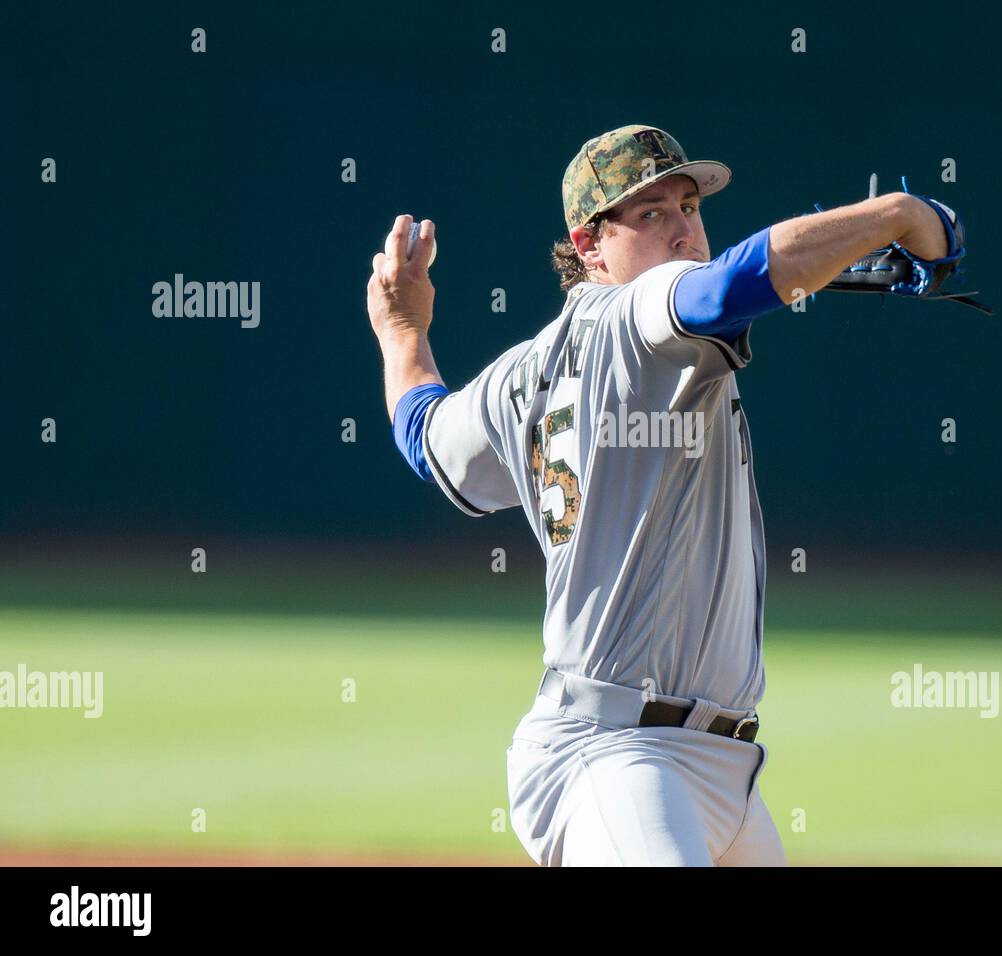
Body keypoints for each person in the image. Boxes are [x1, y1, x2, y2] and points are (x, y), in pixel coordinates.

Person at [366, 124, 955, 866]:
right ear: (589, 245)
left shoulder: (521, 374)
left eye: (689, 206)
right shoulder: (642, 313)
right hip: (620, 763)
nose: (683, 229)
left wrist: (400, 331)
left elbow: (427, 437)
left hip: (711, 773)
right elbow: (728, 286)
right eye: (650, 215)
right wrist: (897, 213)